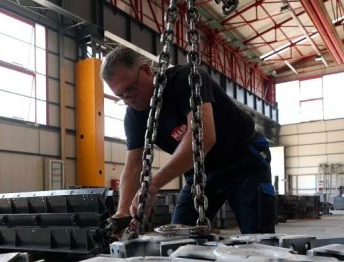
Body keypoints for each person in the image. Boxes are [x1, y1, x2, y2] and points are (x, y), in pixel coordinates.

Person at [102, 46, 275, 234]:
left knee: (258, 241)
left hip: (243, 162)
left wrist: (153, 184)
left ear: (146, 70)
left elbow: (203, 137)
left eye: (131, 89)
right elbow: (133, 167)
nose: (129, 99)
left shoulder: (186, 80)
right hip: (201, 174)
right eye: (121, 96)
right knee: (177, 239)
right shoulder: (134, 117)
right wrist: (122, 213)